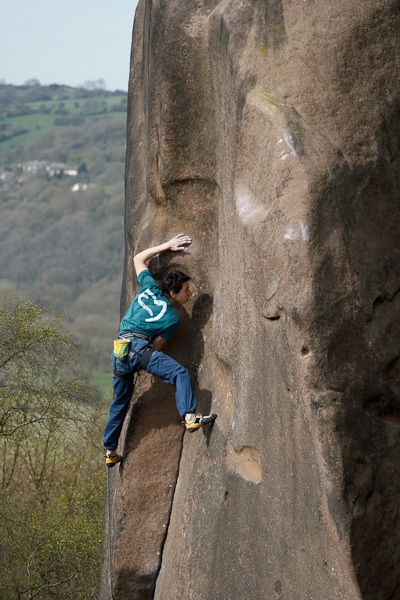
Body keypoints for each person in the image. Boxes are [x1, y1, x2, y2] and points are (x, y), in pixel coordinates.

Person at [103, 233, 217, 467]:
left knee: (119, 403)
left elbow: (138, 259)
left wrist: (167, 246)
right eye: (186, 289)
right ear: (173, 294)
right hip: (139, 350)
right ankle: (189, 417)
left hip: (119, 351)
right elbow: (156, 347)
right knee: (180, 373)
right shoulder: (171, 319)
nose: (190, 293)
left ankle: (110, 451)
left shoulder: (148, 287)